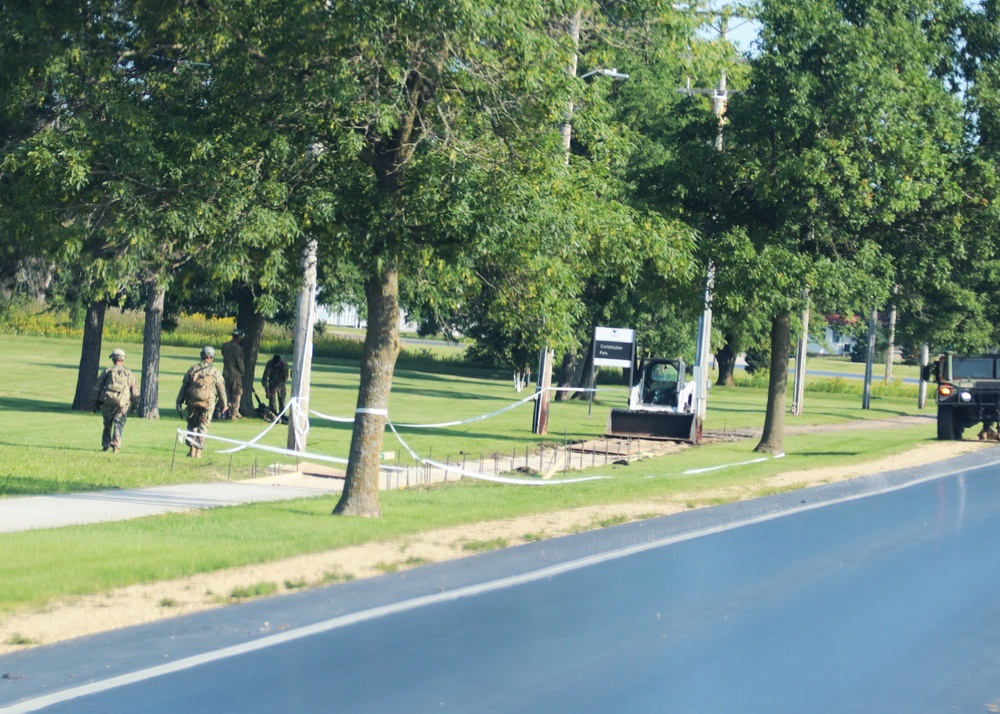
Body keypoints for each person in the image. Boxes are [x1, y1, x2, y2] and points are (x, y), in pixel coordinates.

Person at [176, 346, 227, 458]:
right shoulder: (215, 372)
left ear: (202, 356)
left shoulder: (193, 369)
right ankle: (199, 452)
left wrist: (179, 401)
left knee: (192, 425)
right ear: (211, 358)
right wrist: (225, 404)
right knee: (203, 426)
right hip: (208, 403)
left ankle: (191, 451)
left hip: (193, 401)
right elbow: (221, 390)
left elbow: (184, 386)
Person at [92, 348, 139, 453]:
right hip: (122, 404)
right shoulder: (128, 373)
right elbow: (135, 393)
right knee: (119, 424)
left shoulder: (107, 371)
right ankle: (116, 447)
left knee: (107, 424)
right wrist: (134, 407)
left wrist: (95, 404)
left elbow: (97, 388)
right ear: (122, 359)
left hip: (108, 402)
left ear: (112, 359)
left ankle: (105, 446)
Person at [221, 328, 245, 419]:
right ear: (238, 338)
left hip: (226, 372)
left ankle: (224, 411)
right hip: (235, 374)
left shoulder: (224, 346)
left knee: (226, 392)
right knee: (236, 393)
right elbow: (240, 363)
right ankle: (234, 413)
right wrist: (243, 372)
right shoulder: (238, 349)